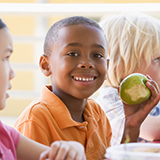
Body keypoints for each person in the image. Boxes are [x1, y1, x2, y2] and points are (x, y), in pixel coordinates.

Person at [14, 16, 160, 160]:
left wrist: (131, 125)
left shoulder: (97, 114)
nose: (87, 63)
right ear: (46, 65)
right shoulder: (36, 119)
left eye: (97, 55)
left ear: (107, 66)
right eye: (73, 54)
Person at [0, 18, 86, 160]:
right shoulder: (34, 118)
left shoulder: (4, 134)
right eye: (5, 58)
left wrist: (73, 150)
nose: (12, 73)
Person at [96, 12, 160, 146]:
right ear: (122, 68)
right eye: (157, 59)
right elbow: (151, 130)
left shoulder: (150, 94)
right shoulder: (112, 99)